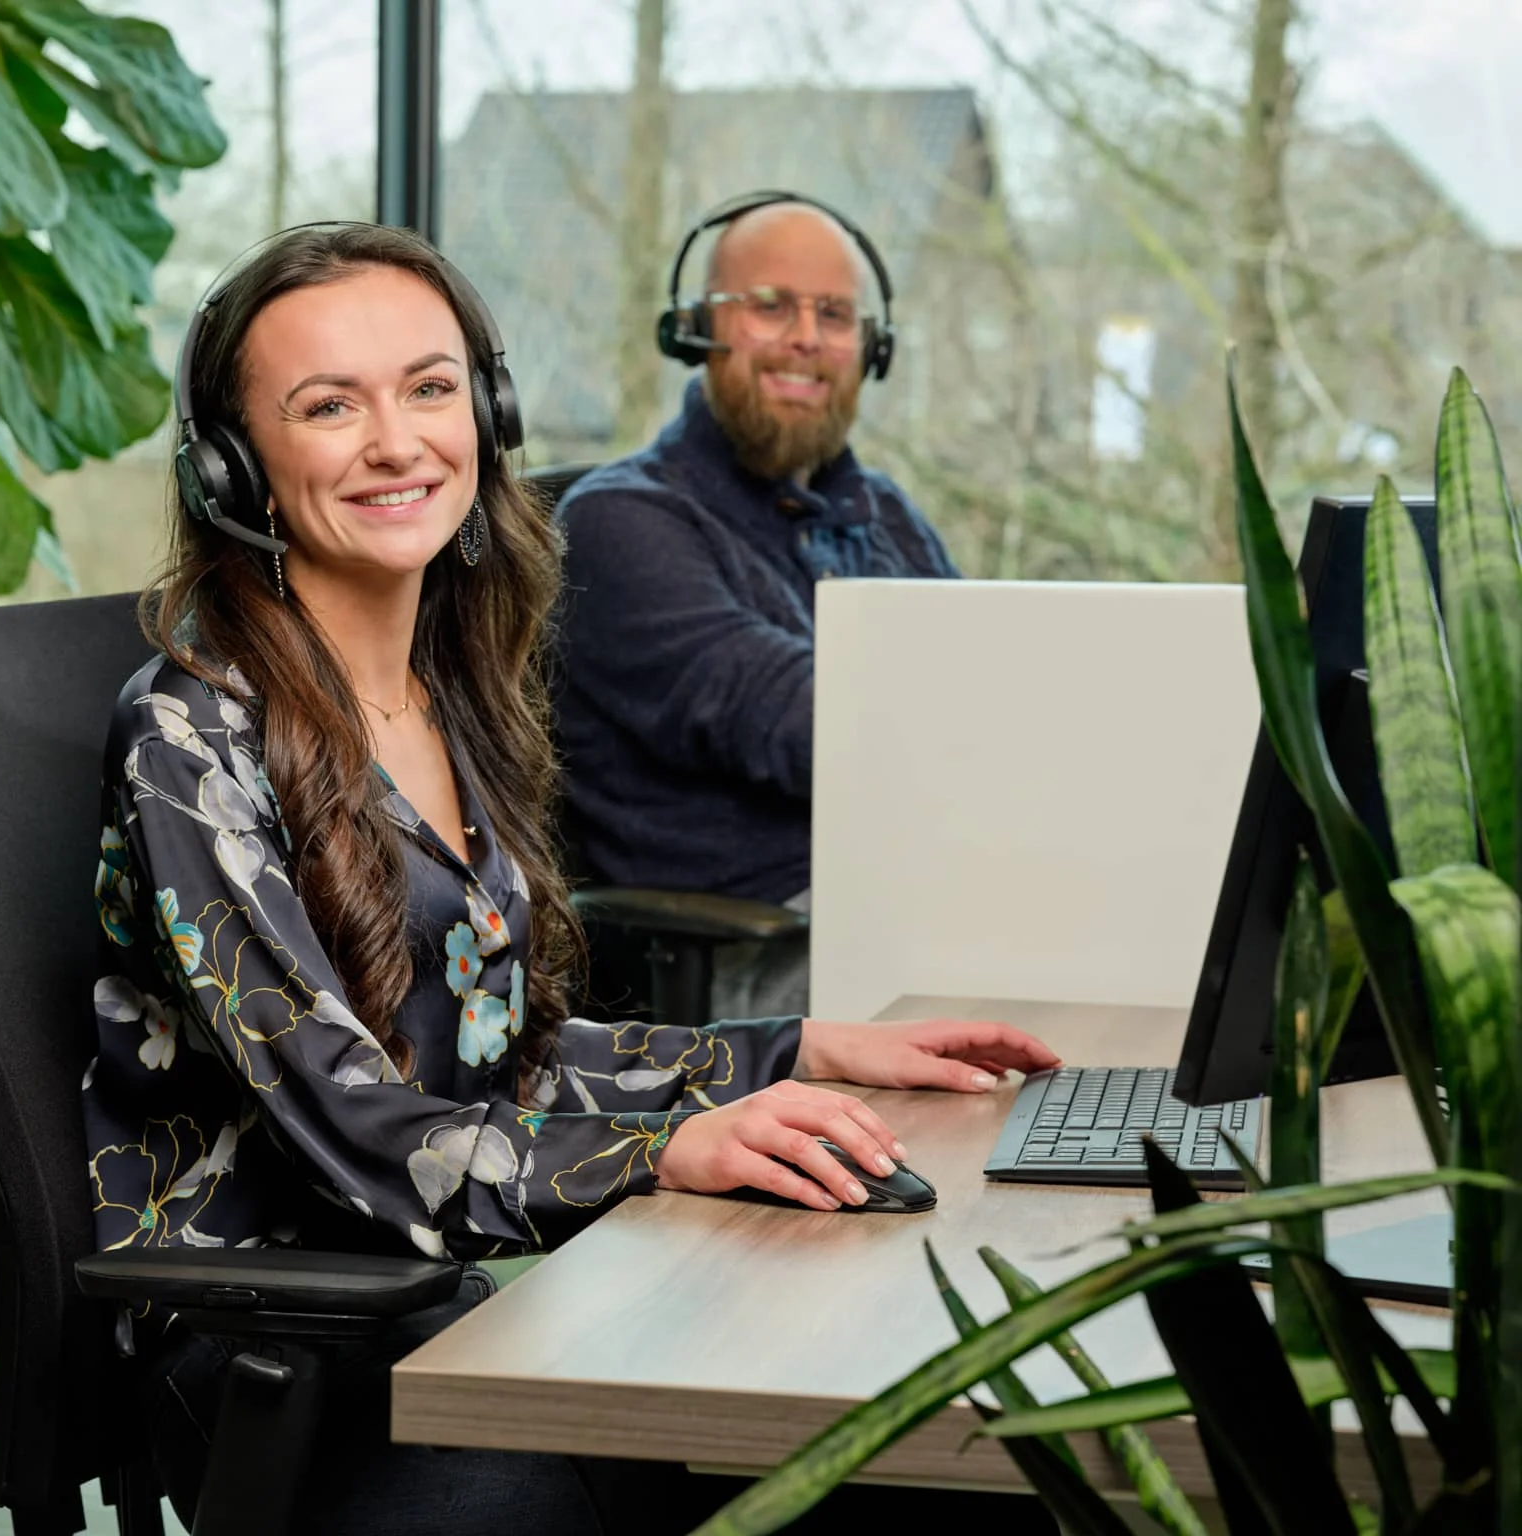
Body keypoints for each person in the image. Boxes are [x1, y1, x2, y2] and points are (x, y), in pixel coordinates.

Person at [80, 222, 1059, 1535]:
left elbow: (501, 1056)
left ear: (484, 413)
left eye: (429, 389)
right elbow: (348, 1124)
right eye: (329, 406)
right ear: (235, 467)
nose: (396, 441)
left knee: (941, 1469)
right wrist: (664, 1151)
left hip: (465, 1296)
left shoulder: (443, 697)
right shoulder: (190, 739)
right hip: (283, 1347)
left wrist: (795, 1057)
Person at [553, 194, 960, 1021]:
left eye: (836, 313)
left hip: (922, 900)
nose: (808, 337)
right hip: (765, 953)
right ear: (697, 329)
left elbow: (977, 680)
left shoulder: (882, 512)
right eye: (771, 306)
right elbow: (805, 722)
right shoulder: (620, 523)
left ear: (869, 348)